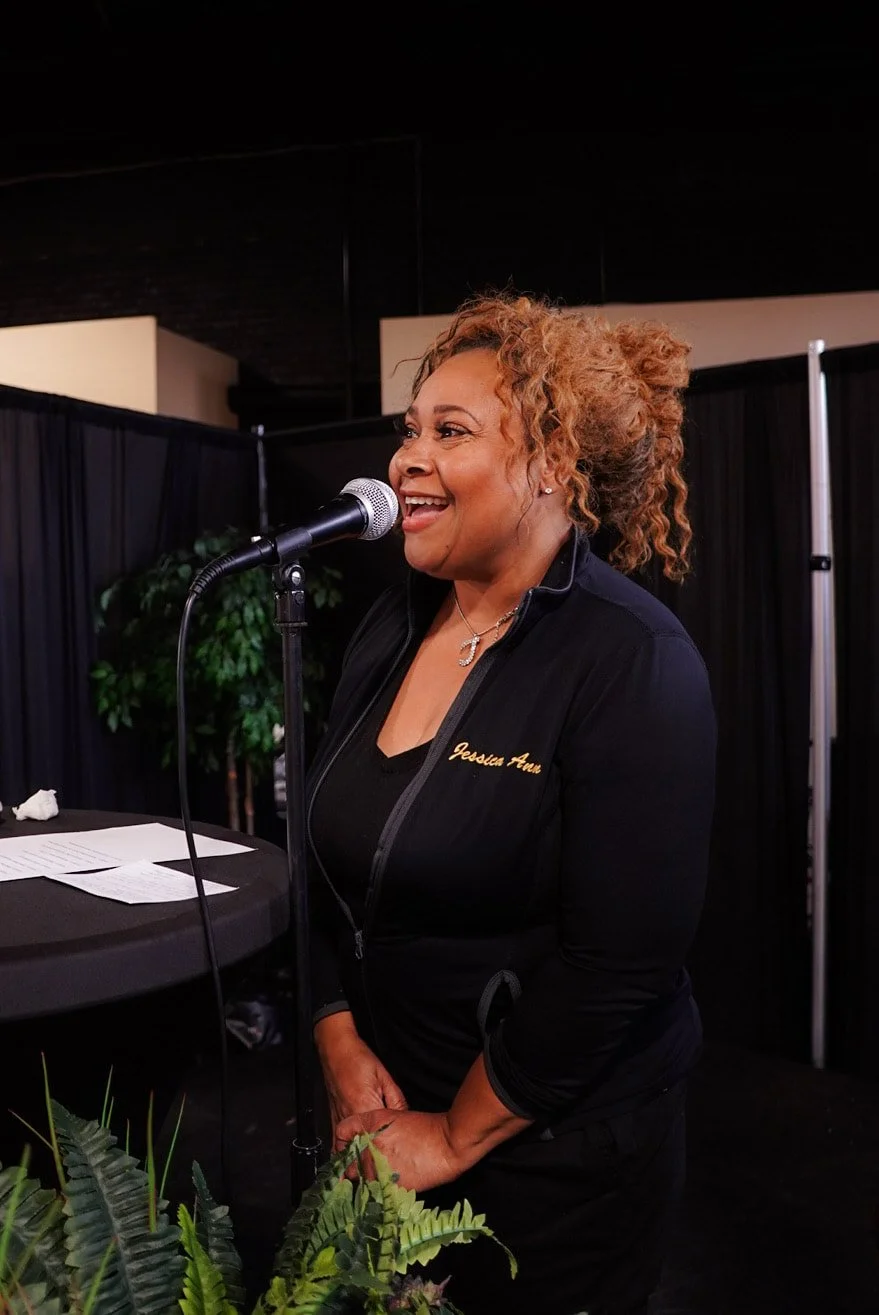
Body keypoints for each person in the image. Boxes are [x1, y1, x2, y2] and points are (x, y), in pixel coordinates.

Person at [306, 289, 717, 1315]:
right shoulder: (391, 626)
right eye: (409, 431)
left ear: (552, 466)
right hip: (382, 1133)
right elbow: (321, 855)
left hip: (552, 1167)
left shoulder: (632, 661)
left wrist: (450, 1136)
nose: (407, 460)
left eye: (451, 432)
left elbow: (617, 967)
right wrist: (340, 1040)